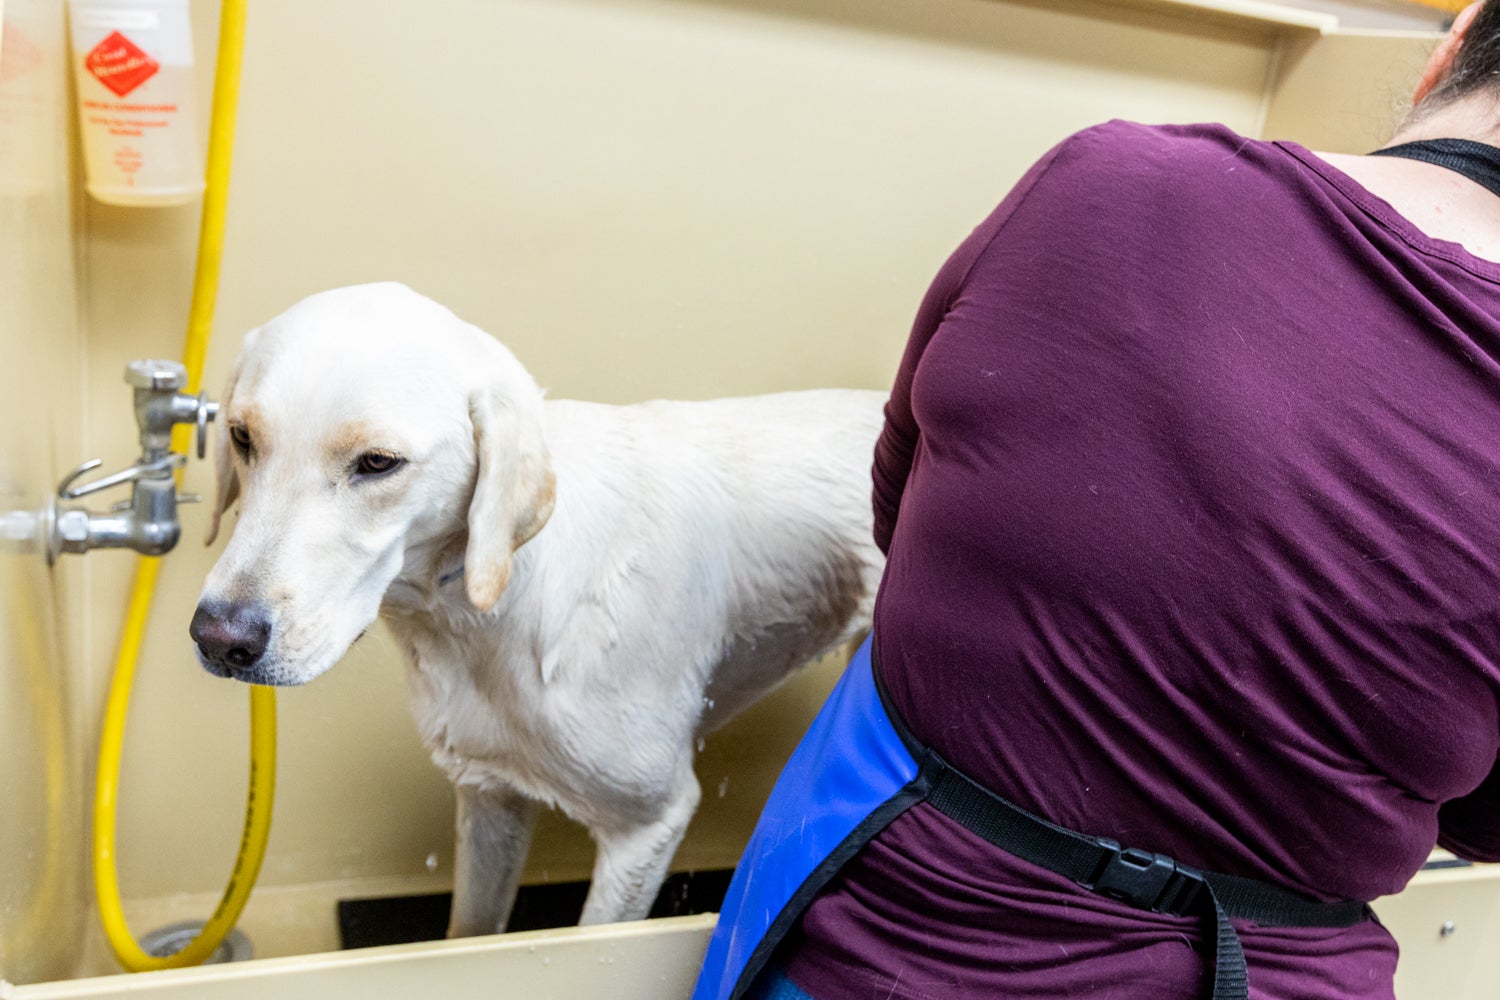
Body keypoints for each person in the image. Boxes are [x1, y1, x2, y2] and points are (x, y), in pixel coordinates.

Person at [692, 3, 1500, 999]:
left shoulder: (1112, 183)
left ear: (1450, 47)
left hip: (893, 941)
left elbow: (903, 502)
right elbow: (1483, 820)